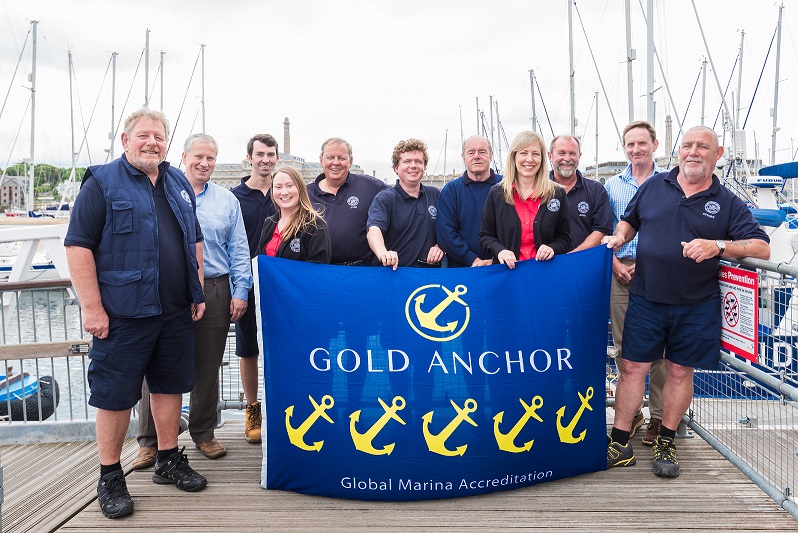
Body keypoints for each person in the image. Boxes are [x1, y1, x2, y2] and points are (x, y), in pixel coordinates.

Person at [65, 109, 208, 519]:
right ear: (125, 141)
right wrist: (92, 308)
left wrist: (196, 290)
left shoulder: (178, 181)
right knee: (115, 396)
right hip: (123, 313)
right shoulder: (101, 183)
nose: (152, 143)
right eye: (143, 136)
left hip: (175, 311)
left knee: (169, 387)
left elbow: (193, 240)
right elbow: (78, 247)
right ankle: (110, 475)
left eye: (159, 137)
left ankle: (167, 459)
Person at [604, 126, 770, 478]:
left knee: (680, 371)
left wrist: (719, 246)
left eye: (702, 146)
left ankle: (666, 439)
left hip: (696, 303)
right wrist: (620, 237)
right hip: (647, 296)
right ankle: (619, 440)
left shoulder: (726, 201)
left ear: (718, 153)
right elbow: (629, 221)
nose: (693, 152)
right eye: (688, 145)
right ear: (679, 151)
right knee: (633, 368)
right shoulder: (653, 185)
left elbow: (761, 246)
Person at [134, 134, 251, 468]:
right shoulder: (160, 191)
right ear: (184, 157)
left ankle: (203, 432)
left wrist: (240, 290)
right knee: (153, 364)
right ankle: (150, 440)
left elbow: (238, 248)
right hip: (165, 288)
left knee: (208, 365)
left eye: (211, 158)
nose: (204, 163)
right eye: (199, 156)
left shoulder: (227, 201)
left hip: (214, 286)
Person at [604, 121, 666, 445]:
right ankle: (632, 413)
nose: (636, 150)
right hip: (619, 271)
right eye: (630, 144)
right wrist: (614, 262)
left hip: (658, 272)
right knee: (624, 347)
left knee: (660, 351)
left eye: (642, 143)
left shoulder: (670, 183)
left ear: (654, 145)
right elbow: (605, 230)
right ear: (624, 148)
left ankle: (658, 417)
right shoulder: (612, 186)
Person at [230, 134, 278, 444]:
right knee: (248, 350)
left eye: (271, 154)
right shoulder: (234, 197)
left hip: (280, 285)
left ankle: (284, 408)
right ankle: (253, 410)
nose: (265, 159)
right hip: (246, 284)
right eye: (259, 154)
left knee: (283, 347)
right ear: (249, 157)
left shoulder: (285, 191)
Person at [480, 131, 571, 268]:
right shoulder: (497, 193)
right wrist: (500, 251)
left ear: (542, 159)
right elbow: (485, 236)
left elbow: (565, 238)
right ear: (514, 157)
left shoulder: (557, 194)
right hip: (508, 275)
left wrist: (552, 248)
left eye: (535, 154)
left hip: (545, 274)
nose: (529, 159)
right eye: (523, 153)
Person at [307, 137, 388, 265]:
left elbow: (400, 199)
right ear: (321, 161)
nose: (336, 162)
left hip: (362, 270)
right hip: (322, 271)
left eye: (341, 158)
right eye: (330, 158)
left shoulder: (370, 186)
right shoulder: (305, 194)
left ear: (350, 162)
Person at [367, 138, 442, 269]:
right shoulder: (385, 198)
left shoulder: (435, 194)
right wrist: (383, 252)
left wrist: (440, 246)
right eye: (407, 161)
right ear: (396, 168)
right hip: (394, 273)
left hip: (427, 276)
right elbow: (374, 230)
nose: (413, 166)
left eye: (418, 161)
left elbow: (448, 228)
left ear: (424, 167)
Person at [436, 135, 501, 267]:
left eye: (482, 152)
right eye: (471, 152)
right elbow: (446, 234)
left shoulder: (505, 185)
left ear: (491, 155)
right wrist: (472, 260)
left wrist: (495, 260)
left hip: (503, 266)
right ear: (463, 157)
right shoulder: (451, 191)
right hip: (464, 271)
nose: (476, 156)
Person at [548, 135, 613, 251]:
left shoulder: (596, 190)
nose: (567, 159)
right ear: (550, 156)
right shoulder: (537, 188)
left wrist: (574, 257)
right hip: (545, 264)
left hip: (584, 263)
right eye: (561, 153)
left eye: (572, 153)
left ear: (579, 156)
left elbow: (602, 230)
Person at [256, 167, 332, 262]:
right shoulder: (269, 222)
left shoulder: (315, 225)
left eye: (289, 186)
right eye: (278, 187)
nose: (284, 192)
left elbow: (318, 270)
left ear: (300, 188)